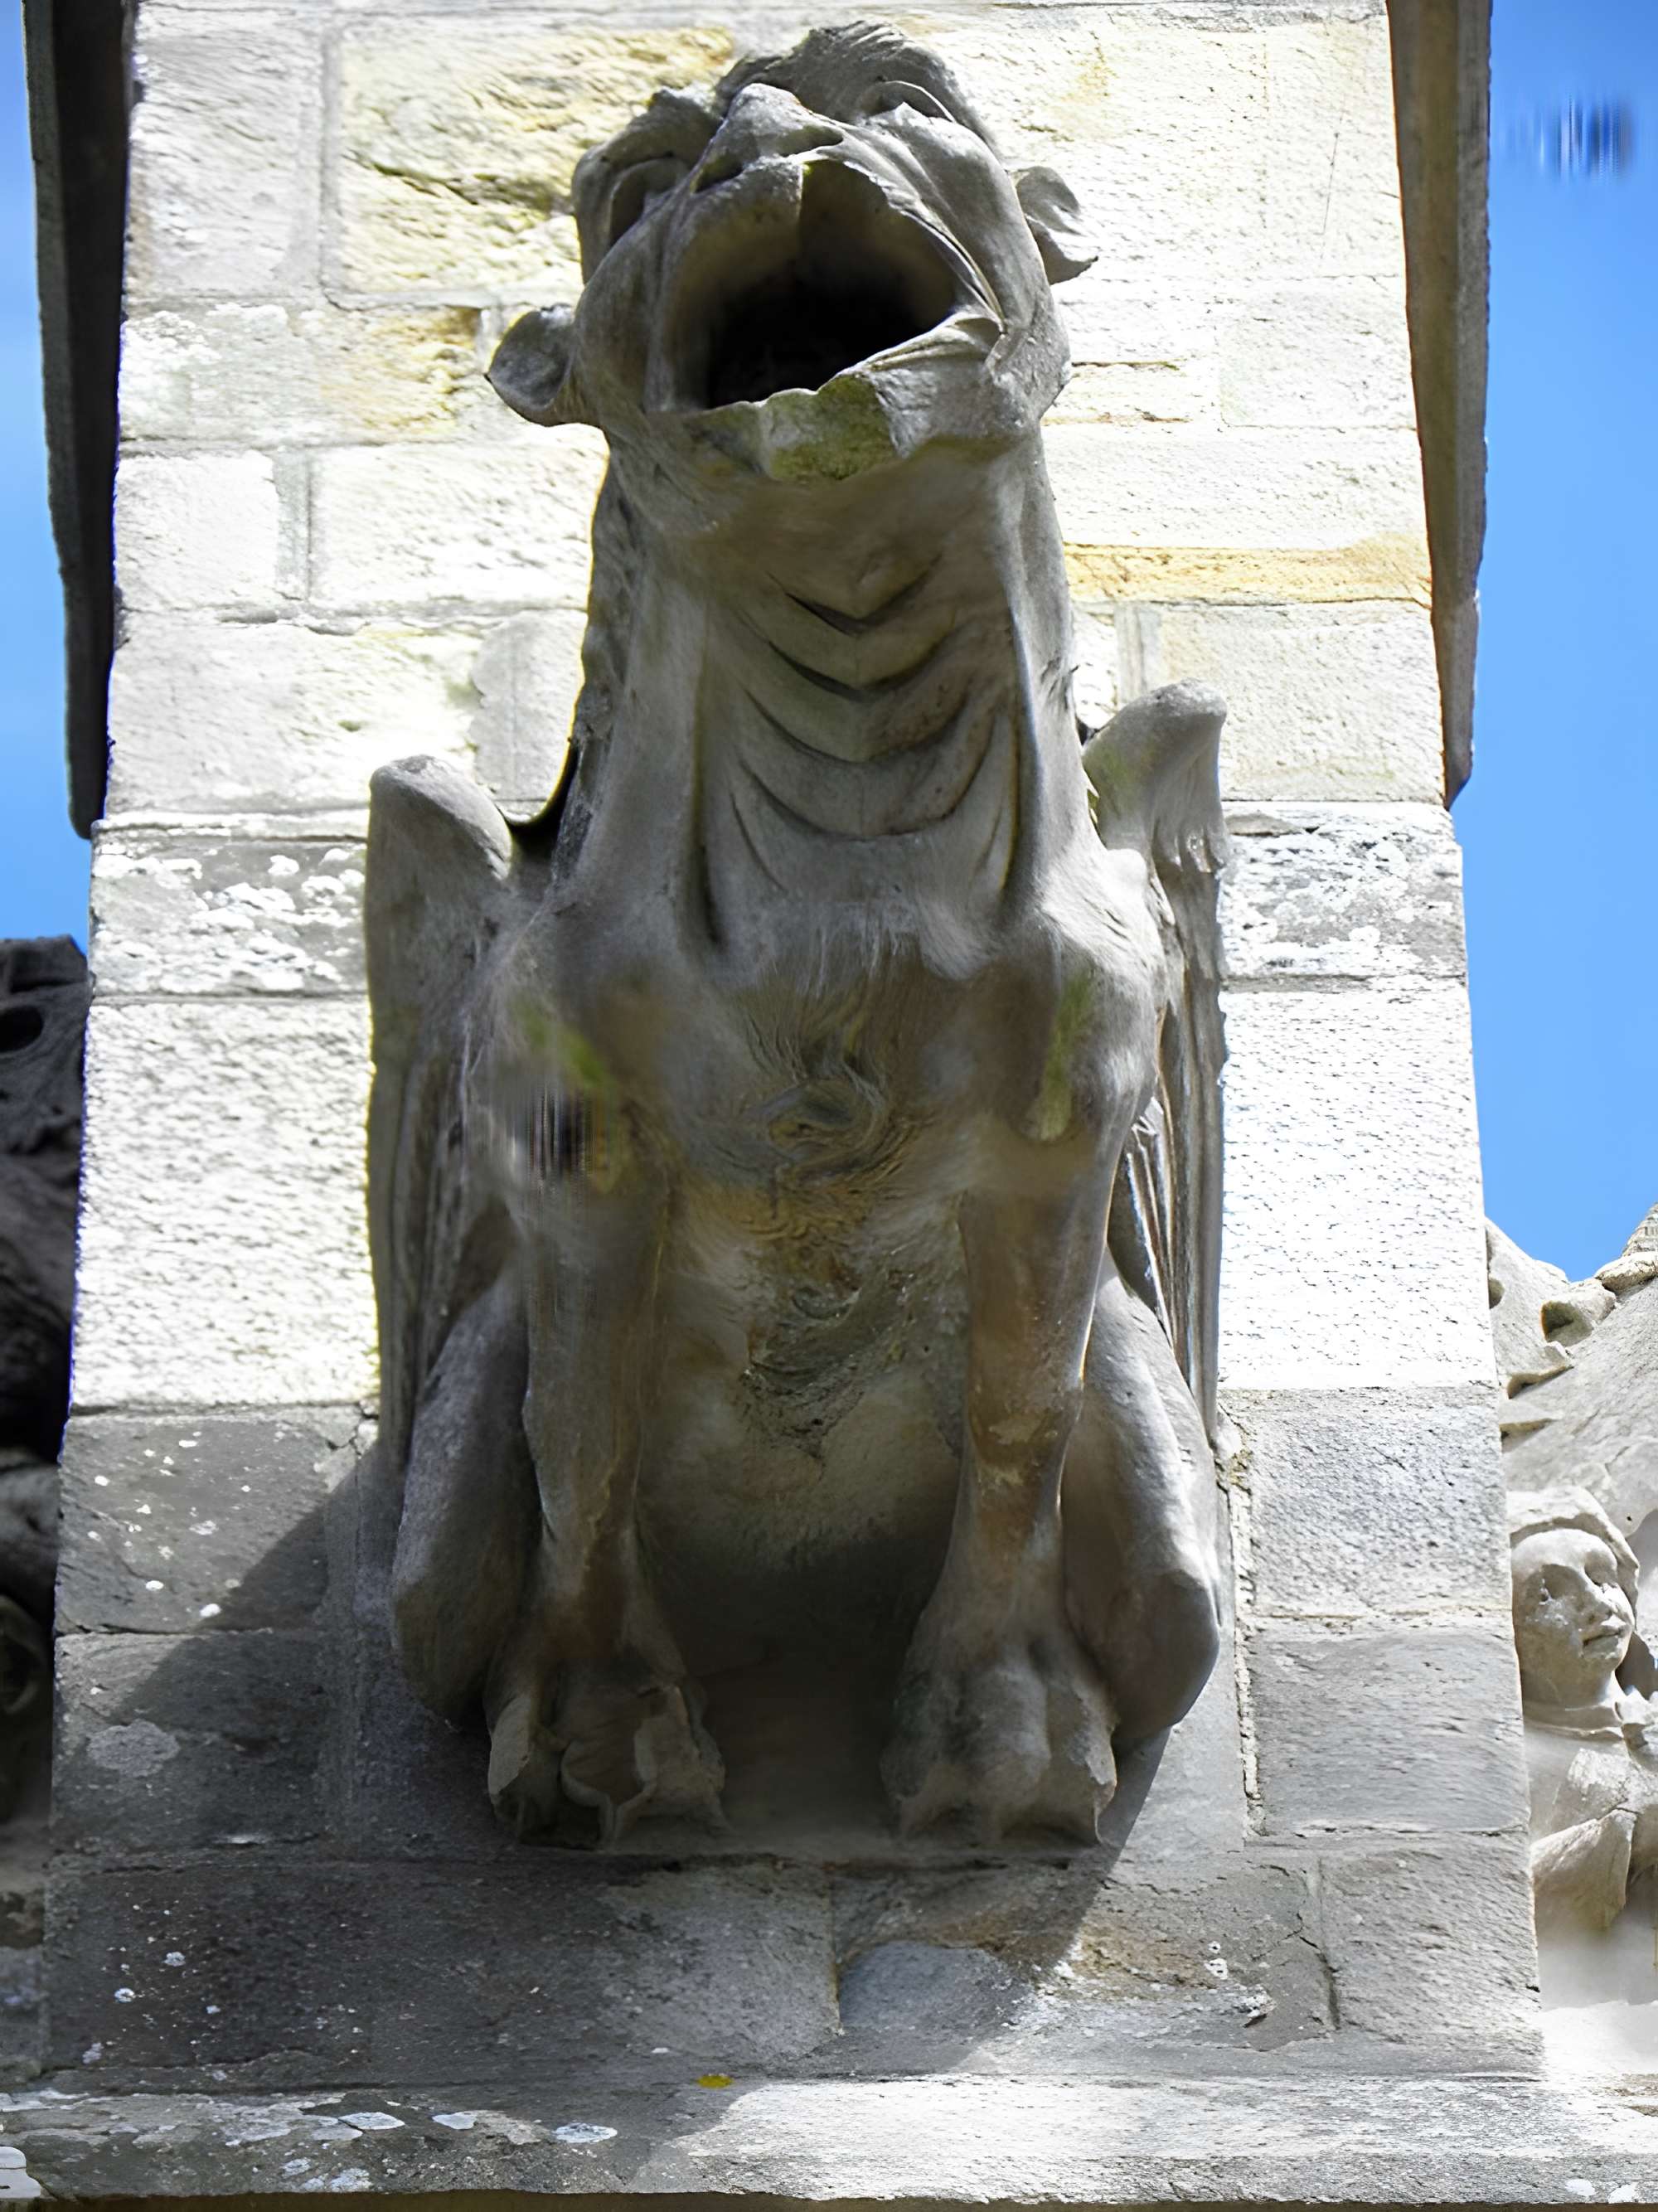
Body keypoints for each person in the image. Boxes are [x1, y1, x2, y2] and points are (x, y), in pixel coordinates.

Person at [1510, 1489, 1658, 1933]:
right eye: (1548, 1594)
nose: (1597, 1604)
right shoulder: (1510, 1758)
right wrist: (1632, 1827)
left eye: (1601, 1577)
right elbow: (1487, 1896)